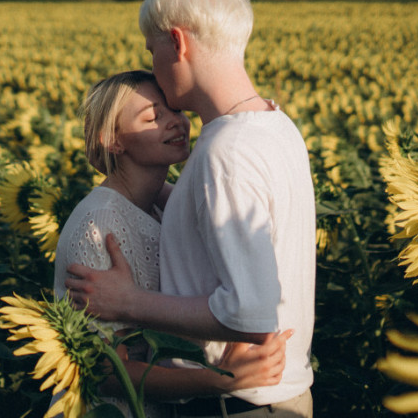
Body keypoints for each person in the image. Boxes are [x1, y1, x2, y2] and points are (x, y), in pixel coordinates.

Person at [65, 0, 317, 417]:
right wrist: (135, 181)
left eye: (152, 51)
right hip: (275, 397)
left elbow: (248, 311)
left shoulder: (227, 152)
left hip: (238, 404)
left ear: (177, 43)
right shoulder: (275, 125)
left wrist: (128, 302)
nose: (155, 70)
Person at [53, 69, 291, 418]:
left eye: (176, 110)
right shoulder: (99, 224)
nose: (175, 122)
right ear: (113, 140)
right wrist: (220, 381)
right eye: (153, 117)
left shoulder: (157, 205)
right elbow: (103, 371)